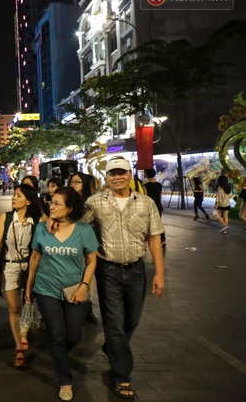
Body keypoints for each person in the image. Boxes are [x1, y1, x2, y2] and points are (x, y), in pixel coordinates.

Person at [82, 156, 165, 400]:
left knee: (132, 320)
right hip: (107, 270)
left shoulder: (146, 203)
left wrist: (159, 273)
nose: (117, 177)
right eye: (112, 173)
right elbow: (79, 227)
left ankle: (113, 348)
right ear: (106, 178)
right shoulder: (94, 202)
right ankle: (121, 375)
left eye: (122, 172)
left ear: (130, 174)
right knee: (114, 323)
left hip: (137, 270)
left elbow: (154, 238)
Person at [25, 186, 98, 401]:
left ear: (70, 208)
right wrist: (29, 287)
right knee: (56, 334)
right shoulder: (42, 229)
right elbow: (35, 259)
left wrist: (84, 285)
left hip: (76, 290)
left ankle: (58, 356)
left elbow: (92, 260)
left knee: (73, 335)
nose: (51, 206)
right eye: (51, 201)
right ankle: (65, 380)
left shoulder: (84, 230)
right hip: (47, 289)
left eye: (57, 203)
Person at [0, 184, 44, 368]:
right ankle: (18, 348)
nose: (14, 198)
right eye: (14, 195)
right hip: (9, 267)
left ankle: (24, 332)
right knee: (14, 308)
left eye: (18, 196)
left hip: (30, 267)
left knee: (29, 301)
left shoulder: (38, 220)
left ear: (28, 201)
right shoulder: (5, 218)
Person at [67, 172, 100, 324]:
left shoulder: (89, 204)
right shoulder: (66, 200)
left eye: (77, 182)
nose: (73, 184)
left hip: (84, 245)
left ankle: (88, 306)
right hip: (68, 245)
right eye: (72, 182)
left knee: (88, 275)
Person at [143, 169, 166, 247]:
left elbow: (145, 198)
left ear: (146, 175)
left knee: (147, 223)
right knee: (158, 222)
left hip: (149, 207)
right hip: (158, 206)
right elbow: (160, 197)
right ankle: (163, 239)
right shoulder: (159, 185)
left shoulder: (145, 186)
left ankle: (145, 239)